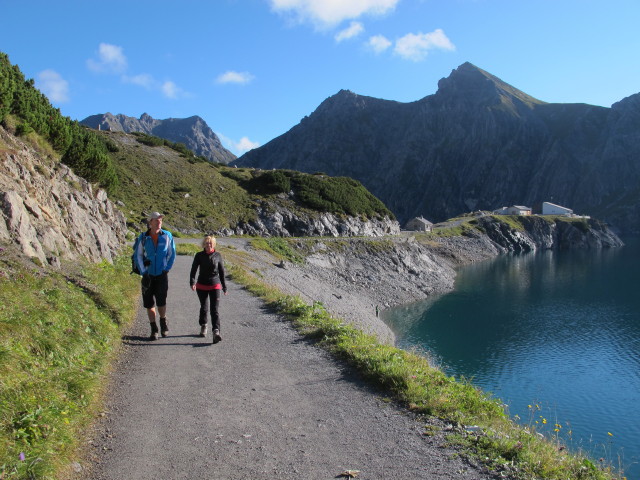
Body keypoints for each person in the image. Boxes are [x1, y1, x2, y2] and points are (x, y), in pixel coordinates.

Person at [134, 212, 176, 340]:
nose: (159, 223)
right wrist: (143, 272)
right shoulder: (143, 237)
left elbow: (171, 254)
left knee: (161, 302)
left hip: (162, 274)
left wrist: (166, 269)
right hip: (148, 275)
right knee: (149, 303)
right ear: (150, 222)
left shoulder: (167, 236)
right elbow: (138, 256)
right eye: (156, 220)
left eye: (160, 220)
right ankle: (154, 329)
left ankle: (163, 322)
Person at [189, 235, 227, 343]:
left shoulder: (218, 256)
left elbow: (222, 272)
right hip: (201, 285)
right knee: (204, 308)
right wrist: (192, 282)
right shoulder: (199, 255)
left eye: (210, 243)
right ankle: (204, 325)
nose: (208, 245)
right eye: (206, 243)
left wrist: (224, 287)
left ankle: (216, 332)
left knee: (214, 310)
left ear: (213, 244)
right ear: (204, 244)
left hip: (215, 285)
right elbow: (193, 269)